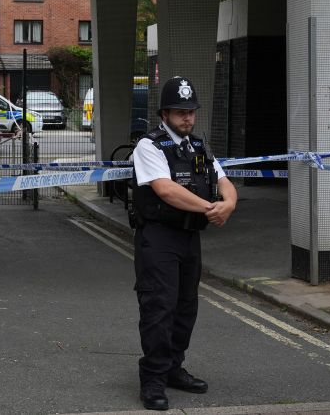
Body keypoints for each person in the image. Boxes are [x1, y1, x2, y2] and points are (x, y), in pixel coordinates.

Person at [130, 76, 237, 411]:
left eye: (191, 111)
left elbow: (224, 181)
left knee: (185, 307)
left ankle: (174, 368)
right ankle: (153, 380)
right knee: (159, 307)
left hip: (189, 237)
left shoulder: (198, 146)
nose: (187, 118)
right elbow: (165, 189)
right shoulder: (150, 146)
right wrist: (211, 208)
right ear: (165, 113)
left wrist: (229, 204)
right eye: (180, 112)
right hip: (159, 237)